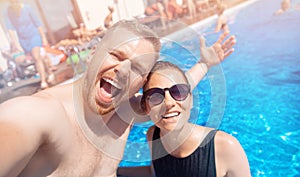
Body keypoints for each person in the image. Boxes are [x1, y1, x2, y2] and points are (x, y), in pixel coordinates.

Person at [0, 20, 236, 177]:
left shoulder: (125, 112)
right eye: (116, 55)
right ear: (94, 53)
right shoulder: (38, 116)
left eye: (136, 68)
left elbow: (167, 96)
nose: (123, 70)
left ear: (140, 83)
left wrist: (205, 64)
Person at [117, 61, 251, 177]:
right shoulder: (153, 136)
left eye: (178, 91)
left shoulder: (225, 147)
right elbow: (157, 172)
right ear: (146, 107)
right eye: (156, 96)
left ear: (191, 99)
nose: (169, 103)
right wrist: (112, 171)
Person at [5, 0, 54, 89]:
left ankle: (43, 81)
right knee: (38, 58)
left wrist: (43, 37)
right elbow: (10, 29)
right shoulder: (9, 11)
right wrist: (15, 43)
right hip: (23, 39)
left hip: (34, 35)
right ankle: (49, 72)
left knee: (36, 57)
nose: (14, 4)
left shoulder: (27, 8)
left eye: (16, 2)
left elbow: (37, 23)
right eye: (12, 2)